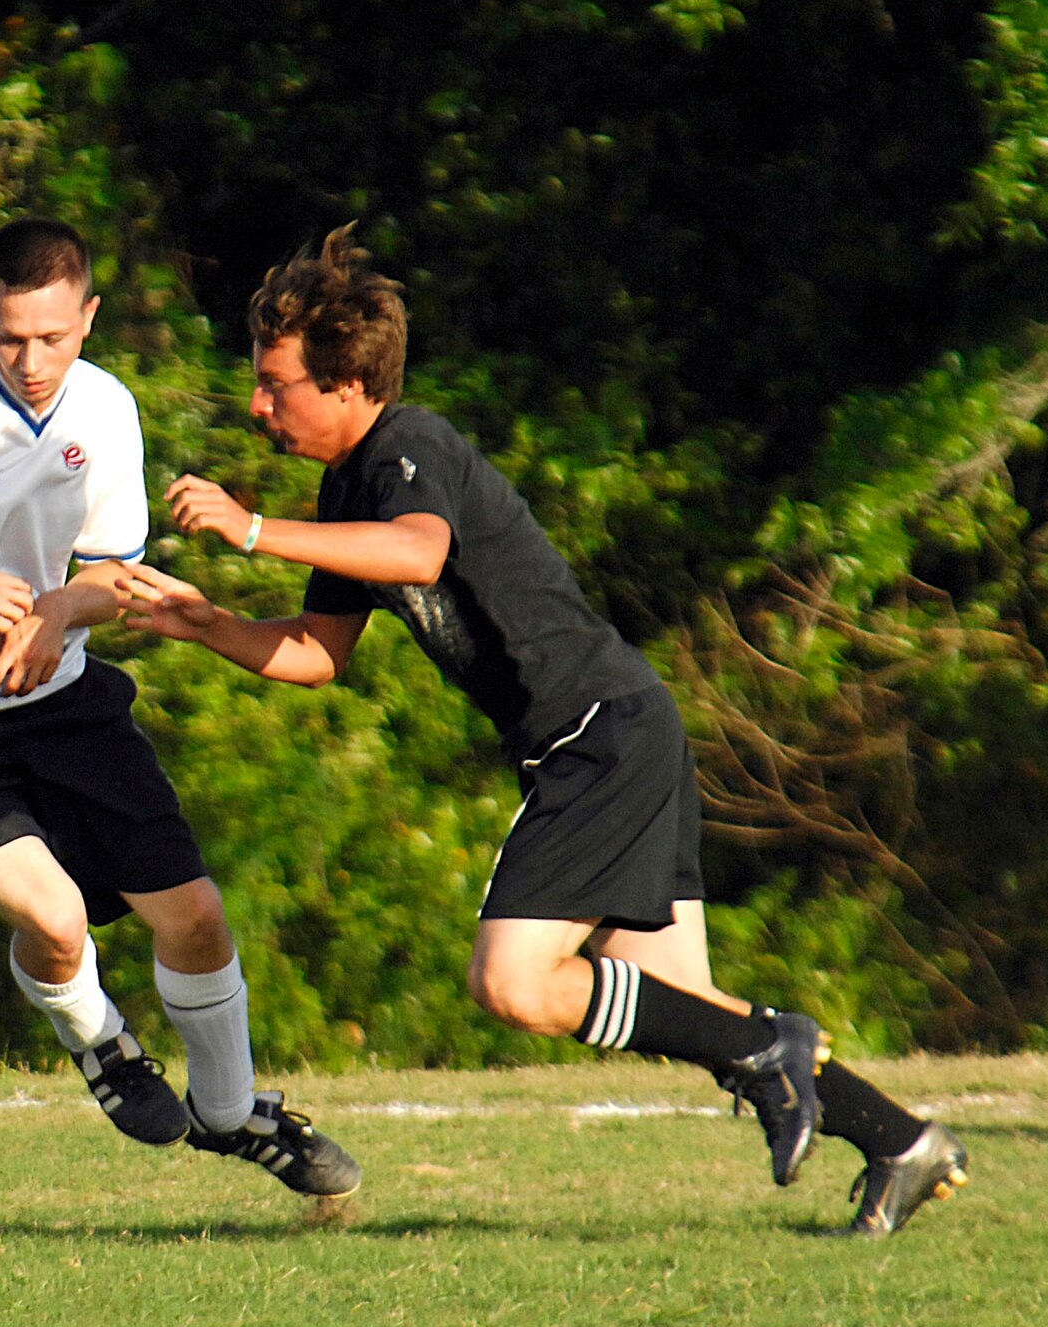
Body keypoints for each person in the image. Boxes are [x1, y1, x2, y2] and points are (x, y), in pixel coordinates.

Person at [124, 225, 967, 1237]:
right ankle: (900, 1139)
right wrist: (206, 621)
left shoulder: (407, 450)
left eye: (276, 384)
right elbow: (316, 652)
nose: (257, 406)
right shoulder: (350, 488)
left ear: (348, 384)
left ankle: (775, 1046)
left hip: (595, 735)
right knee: (684, 1007)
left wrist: (251, 530)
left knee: (513, 981)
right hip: (617, 733)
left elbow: (418, 553)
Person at [0, 216, 358, 1198]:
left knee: (197, 917)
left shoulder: (105, 408)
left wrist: (60, 611)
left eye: (53, 337)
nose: (32, 361)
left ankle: (233, 1116)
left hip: (60, 701)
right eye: (9, 338)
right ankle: (103, 1046)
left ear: (86, 315)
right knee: (55, 916)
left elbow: (110, 574)